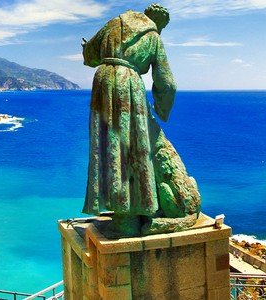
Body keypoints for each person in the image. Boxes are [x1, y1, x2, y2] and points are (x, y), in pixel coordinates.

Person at [81, 4, 201, 237]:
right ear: (160, 22)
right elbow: (167, 82)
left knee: (110, 147)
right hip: (127, 85)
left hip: (103, 83)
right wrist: (161, 109)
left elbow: (90, 55)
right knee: (132, 148)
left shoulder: (114, 23)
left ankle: (122, 211)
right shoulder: (153, 35)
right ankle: (129, 216)